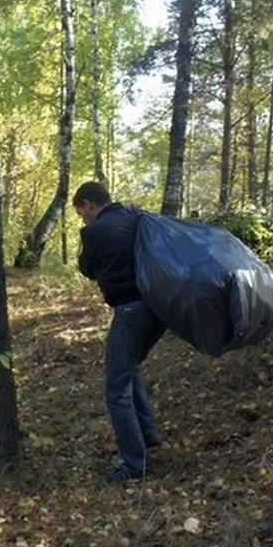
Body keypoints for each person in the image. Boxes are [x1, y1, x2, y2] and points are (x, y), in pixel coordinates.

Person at [73, 181, 166, 484]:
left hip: (130, 310)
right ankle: (148, 433)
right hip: (159, 308)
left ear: (89, 204)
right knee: (129, 369)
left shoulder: (95, 231)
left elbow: (86, 268)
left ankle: (133, 464)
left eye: (81, 212)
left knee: (116, 390)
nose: (82, 219)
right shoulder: (135, 216)